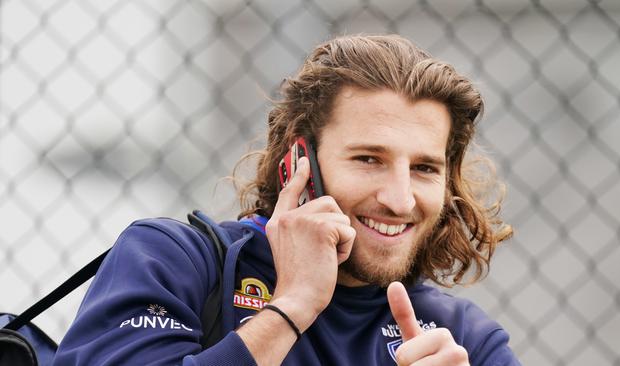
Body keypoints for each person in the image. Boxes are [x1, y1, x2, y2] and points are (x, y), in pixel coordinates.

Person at [52, 34, 518, 365]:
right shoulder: (174, 261)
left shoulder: (465, 341)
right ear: (300, 163)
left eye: (424, 169)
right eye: (369, 159)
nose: (400, 200)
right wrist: (291, 307)